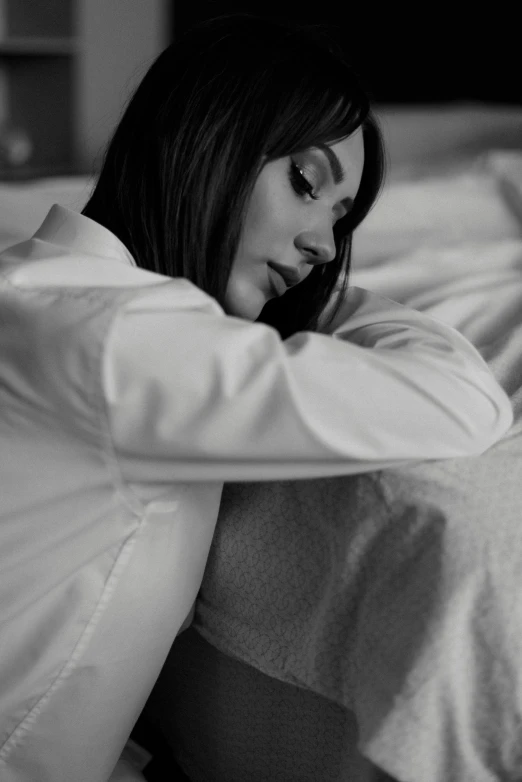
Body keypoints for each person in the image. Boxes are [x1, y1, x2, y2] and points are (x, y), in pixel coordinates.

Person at [0, 12, 513, 782]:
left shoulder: (38, 285)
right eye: (306, 182)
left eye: (342, 228)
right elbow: (465, 399)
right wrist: (340, 301)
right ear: (205, 134)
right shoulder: (122, 336)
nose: (321, 248)